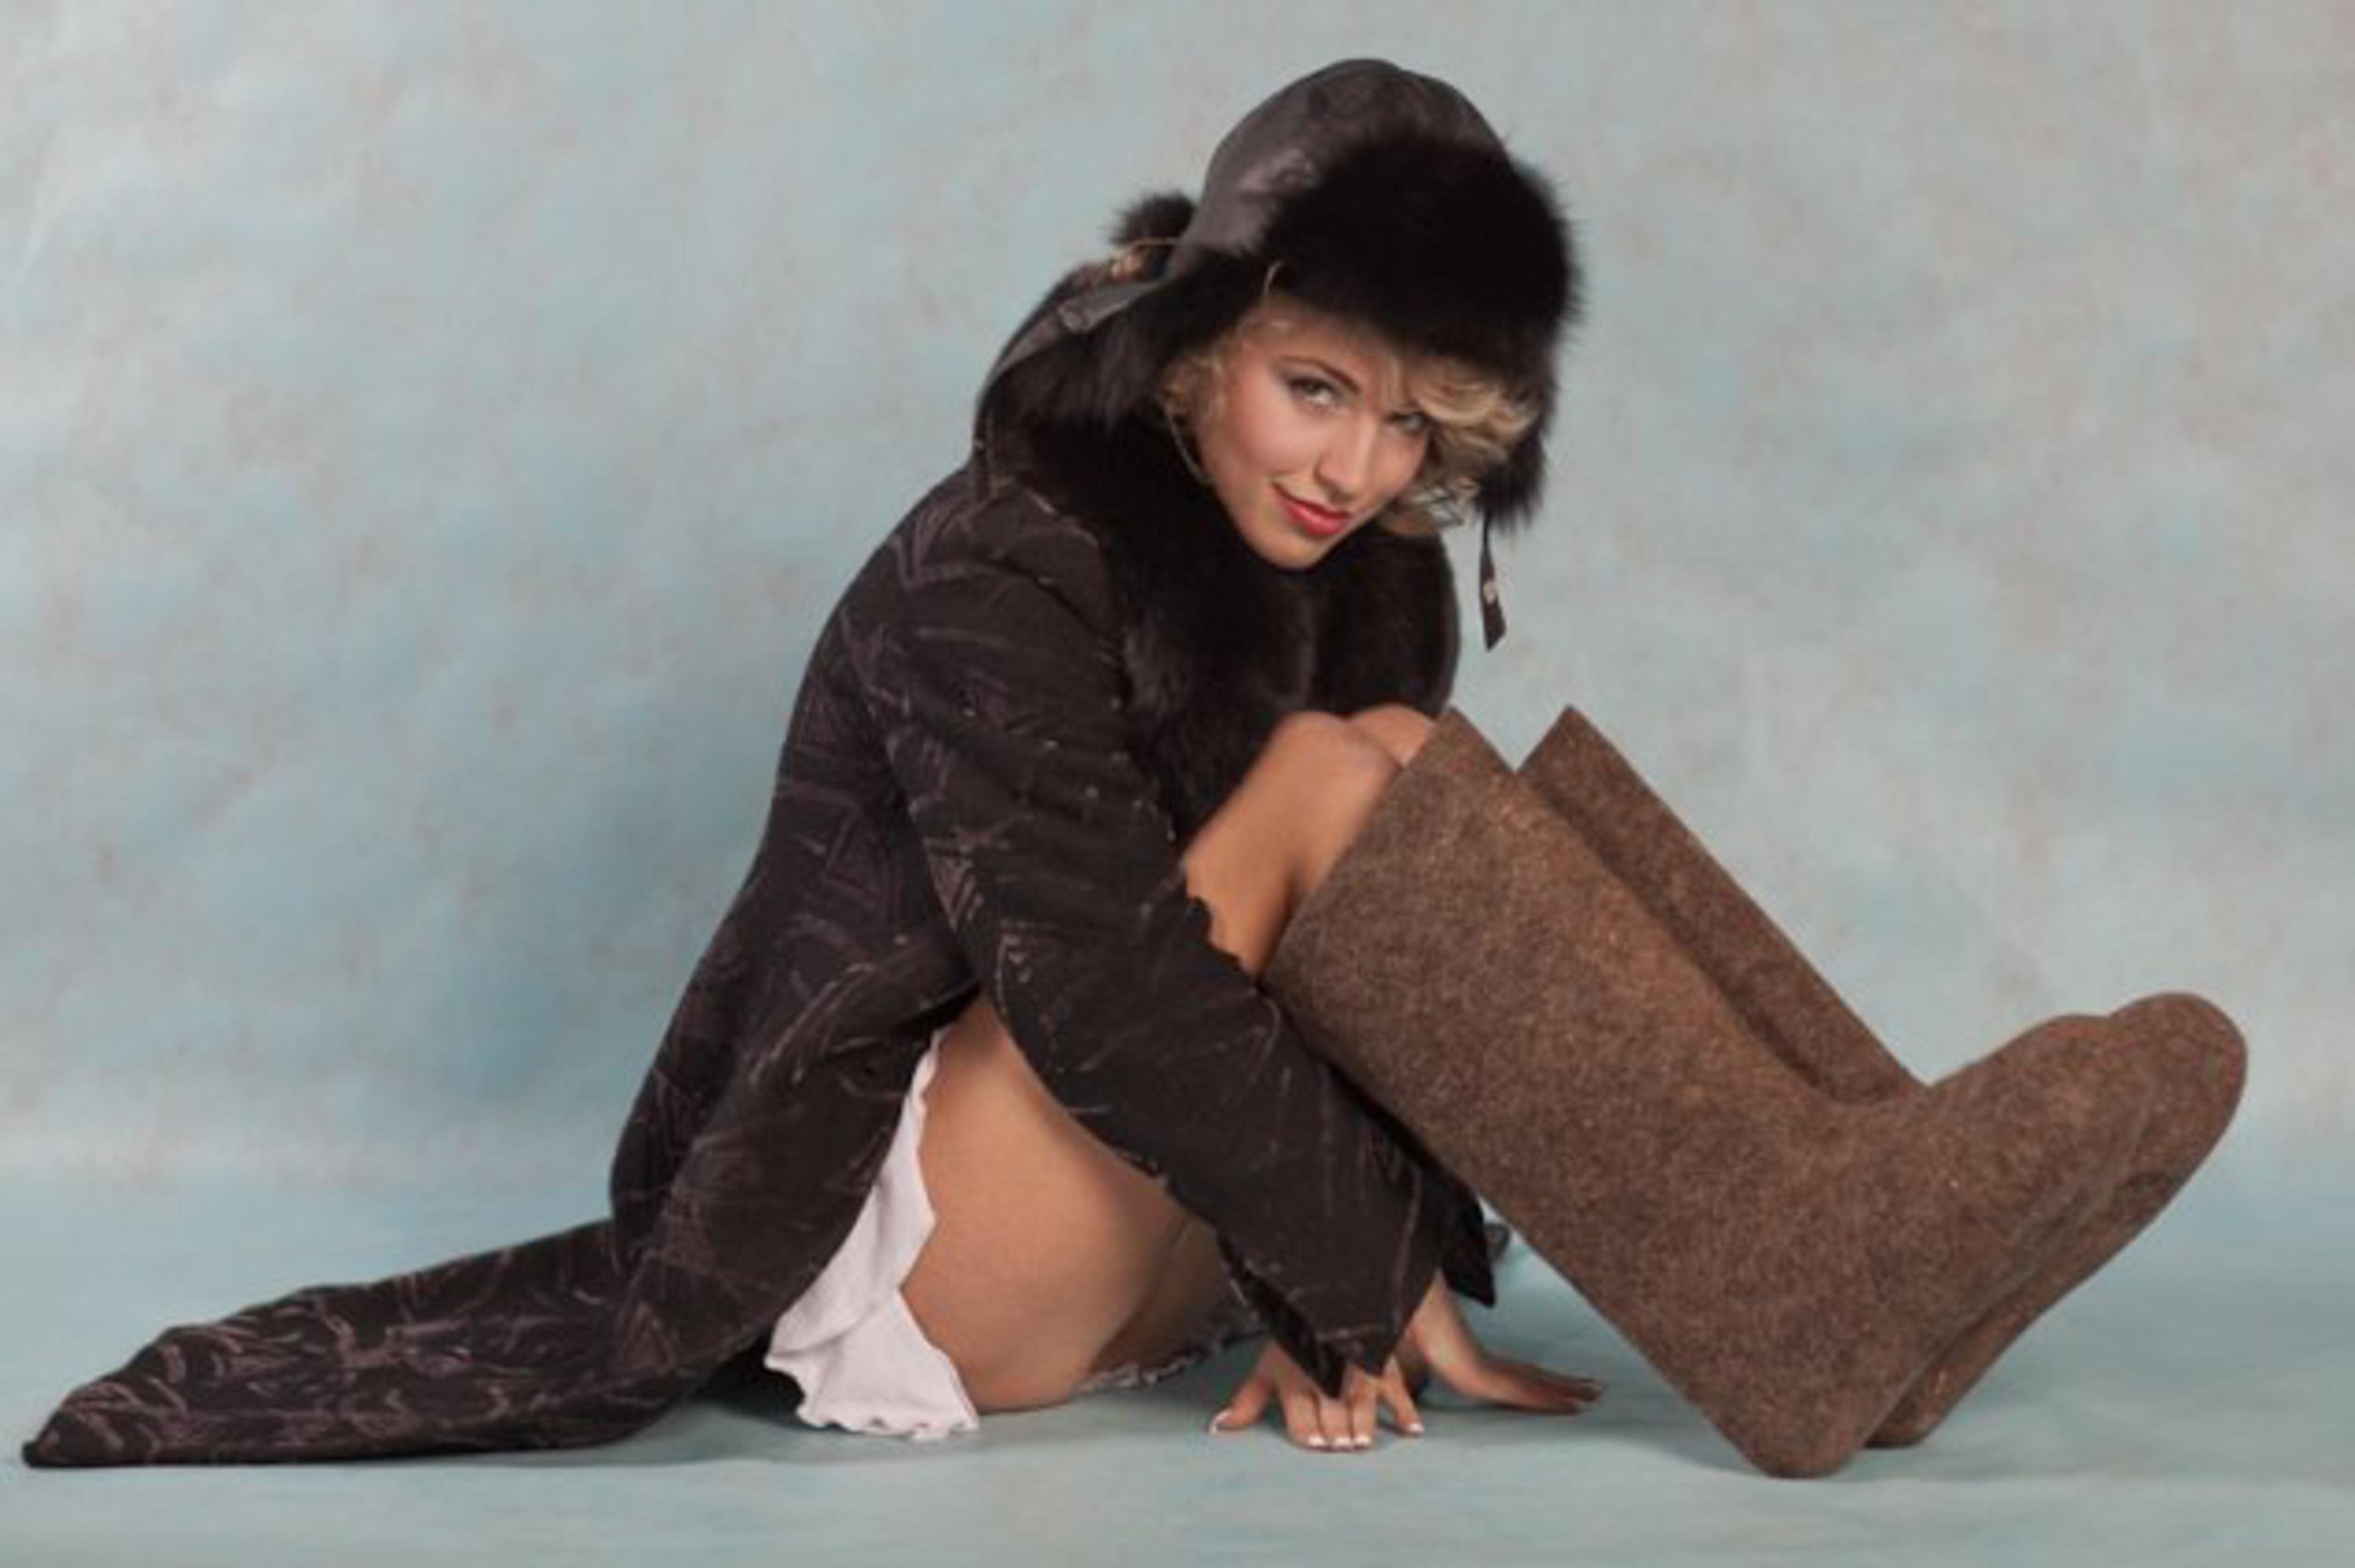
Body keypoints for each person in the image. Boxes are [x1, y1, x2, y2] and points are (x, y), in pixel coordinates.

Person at [24, 58, 1593, 1466]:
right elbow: (1095, 974)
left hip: (1154, 1261)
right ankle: (1416, 1273)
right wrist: (1350, 1254)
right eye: (1314, 388)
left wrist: (1335, 1276)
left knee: (1400, 757)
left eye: (1410, 423)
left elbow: (1337, 984)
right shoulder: (1008, 551)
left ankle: (1715, 1279)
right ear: (1199, 346)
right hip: (949, 1264)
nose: (1354, 467)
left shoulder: (1376, 575)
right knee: (1332, 770)